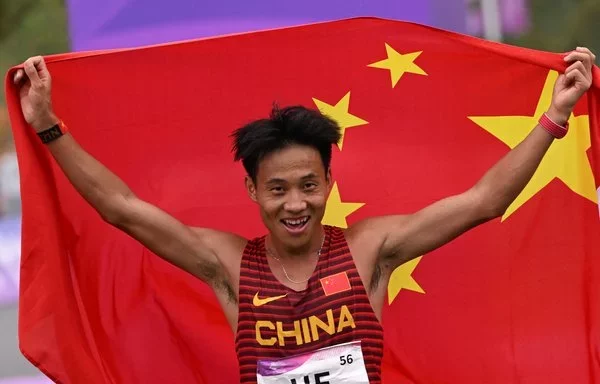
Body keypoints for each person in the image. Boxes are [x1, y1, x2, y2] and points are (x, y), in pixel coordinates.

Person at [13, 47, 595, 384]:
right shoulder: (228, 265)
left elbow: (483, 201)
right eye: (279, 190)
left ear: (329, 184)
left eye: (310, 186)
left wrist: (555, 116)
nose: (296, 204)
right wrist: (47, 126)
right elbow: (122, 209)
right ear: (252, 191)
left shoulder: (373, 248)